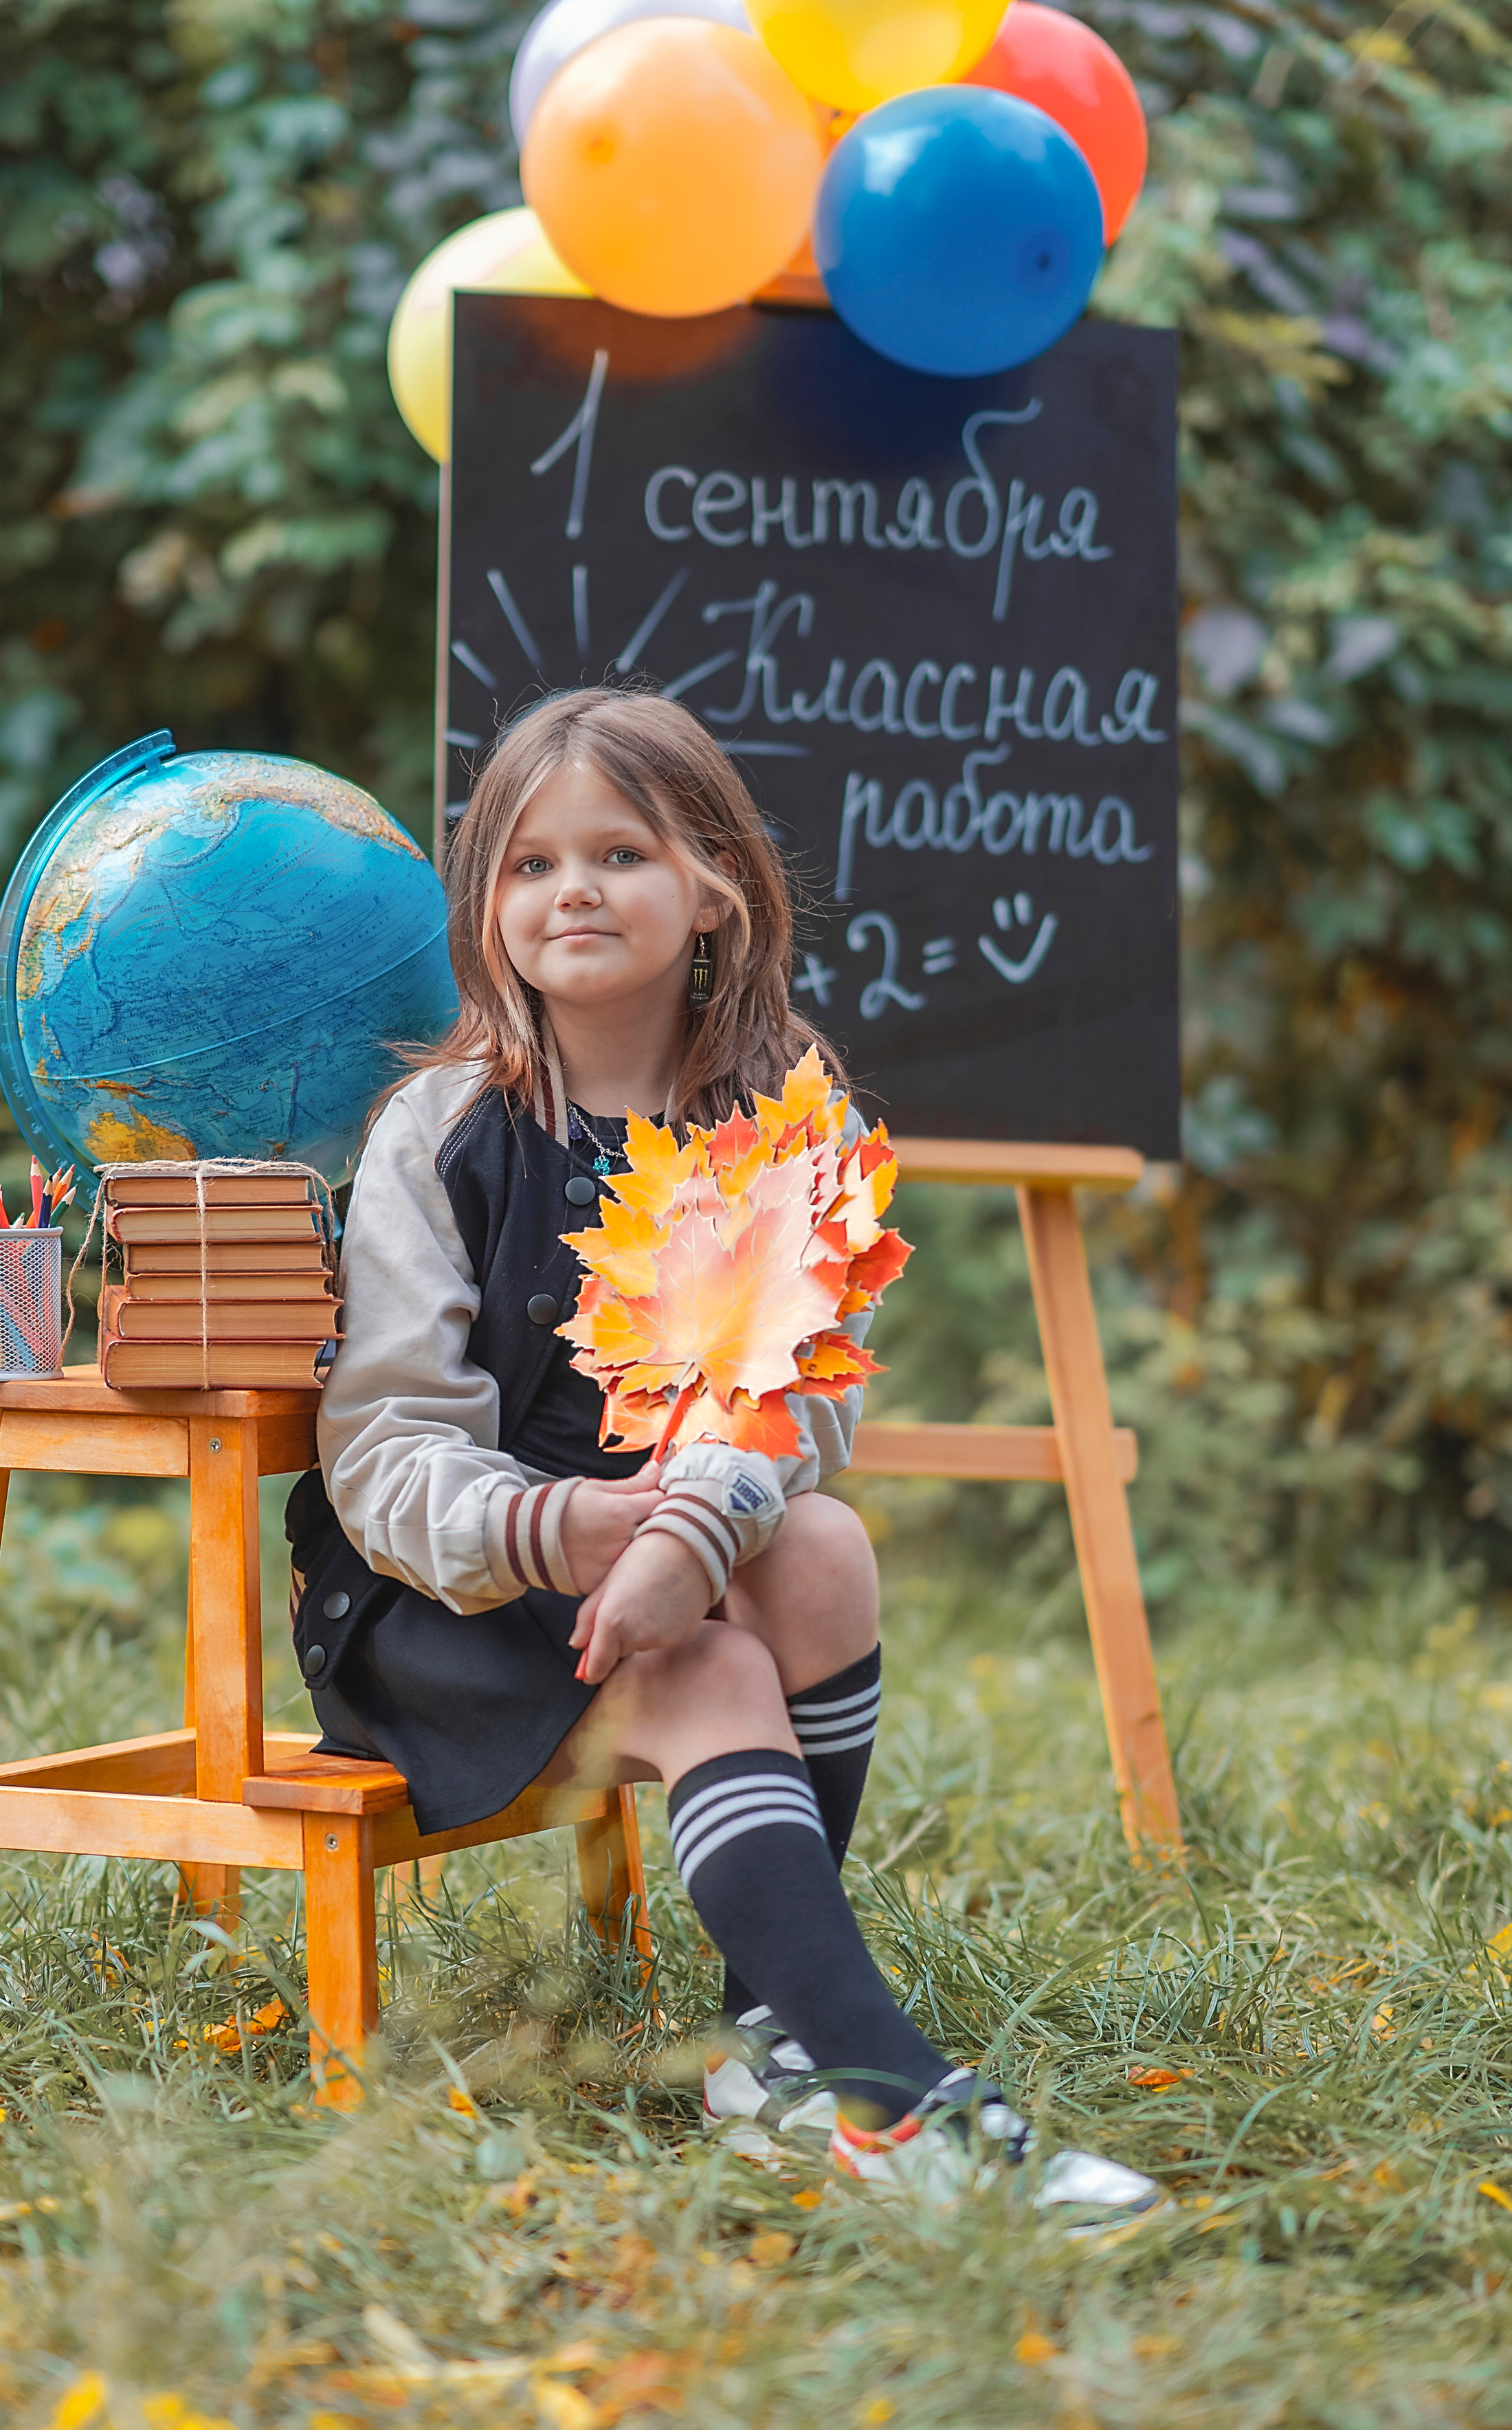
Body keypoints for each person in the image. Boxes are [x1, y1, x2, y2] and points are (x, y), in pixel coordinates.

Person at [286, 687, 1157, 2213]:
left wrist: (684, 1537)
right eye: (529, 862)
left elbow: (802, 1407)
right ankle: (897, 2101)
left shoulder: (770, 1113)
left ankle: (777, 2049)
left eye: (619, 852)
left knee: (816, 1546)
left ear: (711, 891)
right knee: (707, 1670)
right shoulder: (440, 1132)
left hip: (667, 1555)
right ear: (483, 906)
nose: (572, 891)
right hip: (448, 1602)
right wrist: (566, 1535)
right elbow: (383, 1447)